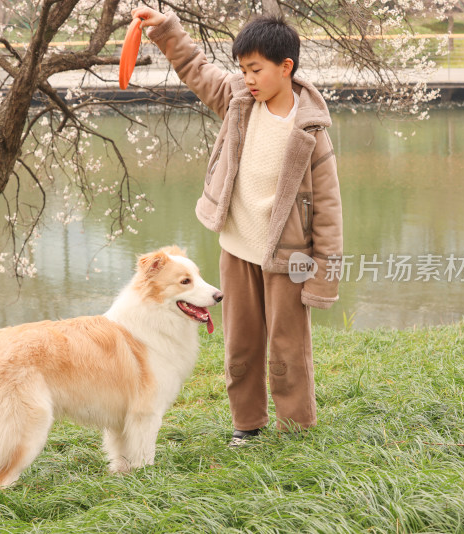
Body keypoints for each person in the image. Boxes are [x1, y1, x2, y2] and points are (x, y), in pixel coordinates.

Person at [131, 6, 343, 446]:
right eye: (242, 69)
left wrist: (323, 279)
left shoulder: (311, 131)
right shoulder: (239, 102)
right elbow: (195, 67)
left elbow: (328, 209)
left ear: (285, 68)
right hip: (237, 249)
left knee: (288, 348)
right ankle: (247, 424)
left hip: (290, 259)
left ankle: (296, 427)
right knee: (241, 347)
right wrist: (166, 28)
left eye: (255, 69)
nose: (247, 78)